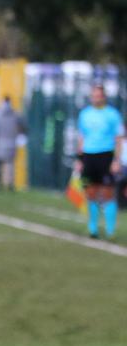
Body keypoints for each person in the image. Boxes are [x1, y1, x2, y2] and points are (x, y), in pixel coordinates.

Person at [76, 84, 124, 239]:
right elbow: (81, 137)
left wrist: (116, 160)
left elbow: (118, 139)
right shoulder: (84, 114)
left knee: (108, 193)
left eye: (98, 96)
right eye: (93, 96)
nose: (96, 98)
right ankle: (93, 228)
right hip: (89, 156)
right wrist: (80, 159)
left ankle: (110, 231)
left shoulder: (113, 114)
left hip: (106, 156)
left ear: (104, 97)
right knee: (90, 192)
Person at [0, 95, 25, 191]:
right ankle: (10, 184)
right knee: (10, 165)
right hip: (12, 143)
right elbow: (22, 127)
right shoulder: (15, 114)